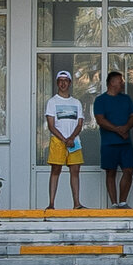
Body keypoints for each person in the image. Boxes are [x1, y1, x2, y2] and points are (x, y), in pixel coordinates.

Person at [92, 67, 133, 207]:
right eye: (120, 82)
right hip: (109, 143)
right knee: (110, 172)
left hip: (126, 143)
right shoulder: (100, 100)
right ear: (112, 82)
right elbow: (100, 120)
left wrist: (126, 127)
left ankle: (123, 201)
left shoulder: (126, 99)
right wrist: (117, 130)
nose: (122, 84)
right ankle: (114, 204)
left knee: (129, 170)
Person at [40, 68, 89, 209]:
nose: (63, 84)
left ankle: (77, 204)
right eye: (60, 81)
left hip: (74, 141)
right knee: (55, 170)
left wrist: (71, 138)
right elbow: (51, 125)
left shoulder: (76, 102)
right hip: (58, 140)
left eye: (65, 81)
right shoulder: (52, 102)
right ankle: (51, 204)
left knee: (75, 170)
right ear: (57, 83)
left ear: (70, 83)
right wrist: (64, 139)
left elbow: (80, 124)